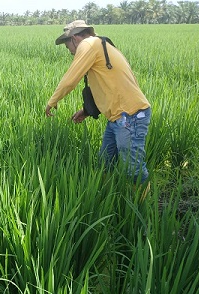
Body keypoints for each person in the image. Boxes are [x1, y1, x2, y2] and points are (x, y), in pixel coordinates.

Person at [44, 20, 152, 184]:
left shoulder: (88, 44)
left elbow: (69, 80)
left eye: (68, 48)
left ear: (75, 38)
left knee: (133, 170)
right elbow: (107, 85)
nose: (71, 53)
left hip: (130, 116)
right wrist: (87, 111)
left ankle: (141, 206)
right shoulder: (101, 44)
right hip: (117, 117)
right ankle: (104, 194)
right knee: (105, 162)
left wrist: (52, 101)